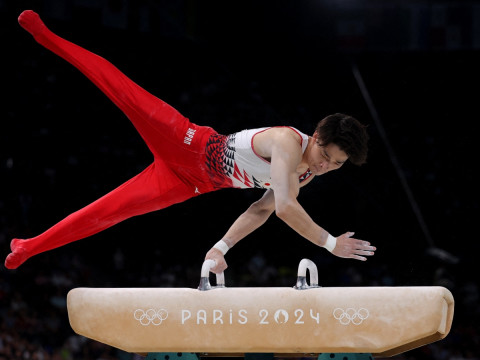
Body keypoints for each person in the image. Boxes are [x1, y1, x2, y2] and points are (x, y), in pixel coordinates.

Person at [5, 10, 376, 272]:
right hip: (186, 142)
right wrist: (330, 244)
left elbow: (260, 210)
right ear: (316, 135)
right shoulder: (287, 143)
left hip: (191, 183)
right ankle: (46, 35)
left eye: (337, 164)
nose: (327, 165)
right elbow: (284, 208)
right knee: (122, 90)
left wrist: (220, 247)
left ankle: (29, 246)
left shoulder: (306, 173)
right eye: (326, 154)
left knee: (109, 212)